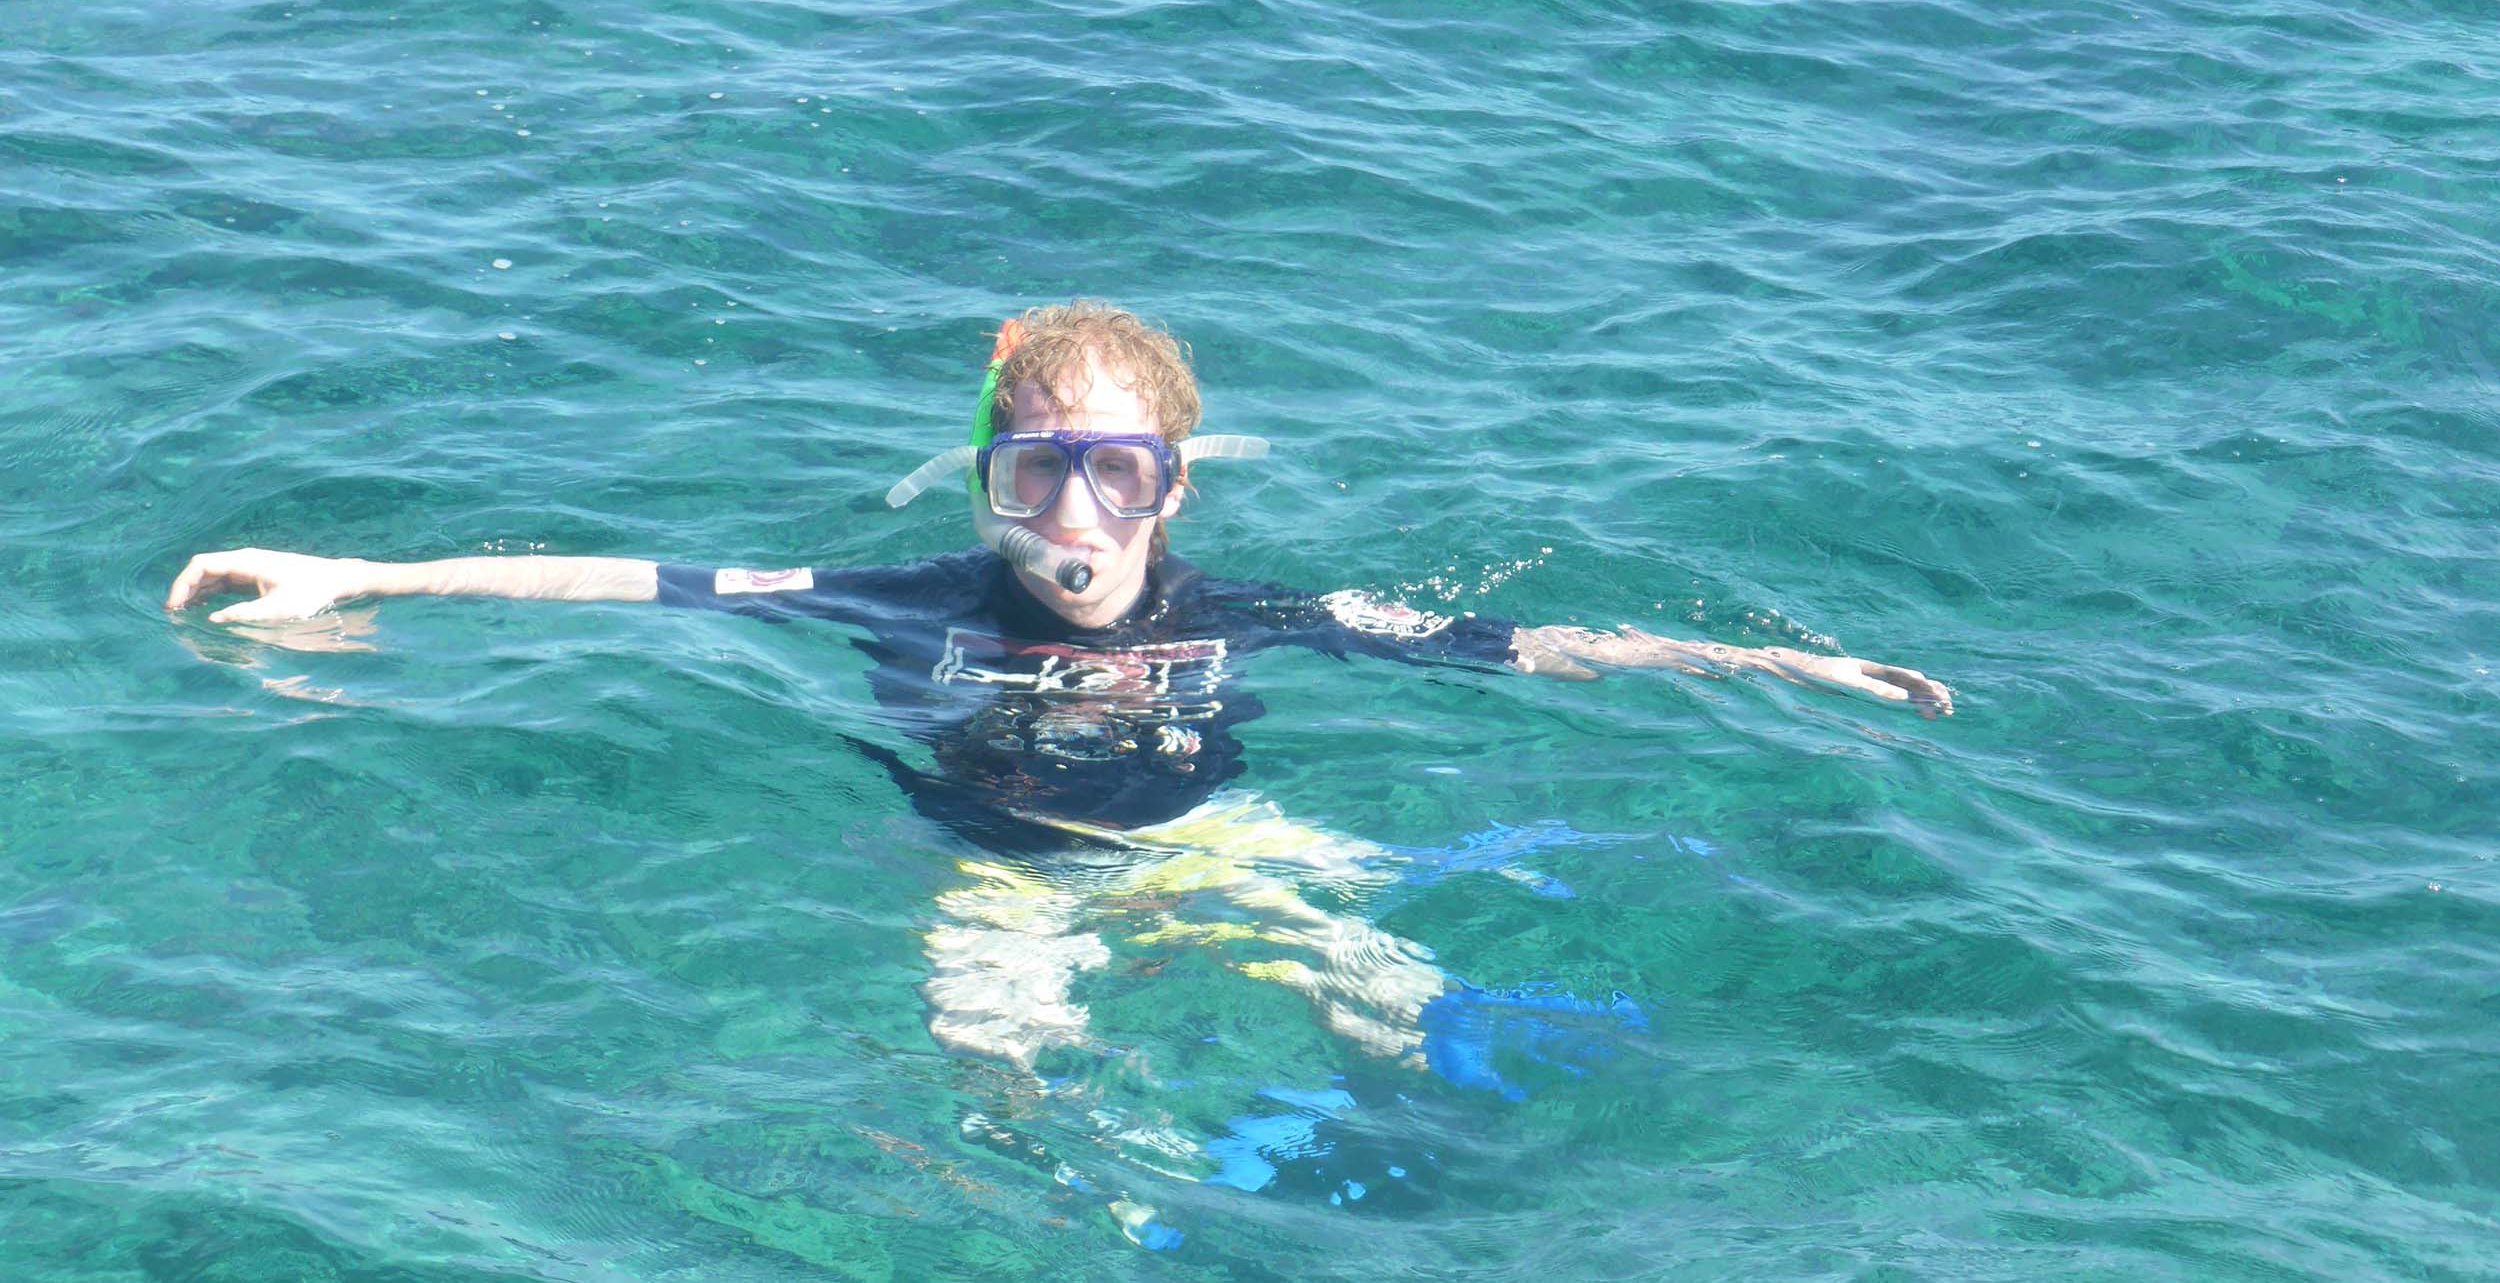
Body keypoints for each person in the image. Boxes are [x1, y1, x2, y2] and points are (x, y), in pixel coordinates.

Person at [165, 301, 1951, 1081]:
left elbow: (1523, 646)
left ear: (1177, 486)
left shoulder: (1257, 608)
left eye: (1118, 478)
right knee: (1000, 1073)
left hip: (1216, 839)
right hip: (1003, 876)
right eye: (1033, 477)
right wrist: (368, 574)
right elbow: (639, 573)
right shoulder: (898, 592)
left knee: (1395, 1014)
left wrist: (1767, 659)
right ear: (982, 483)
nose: (1074, 524)